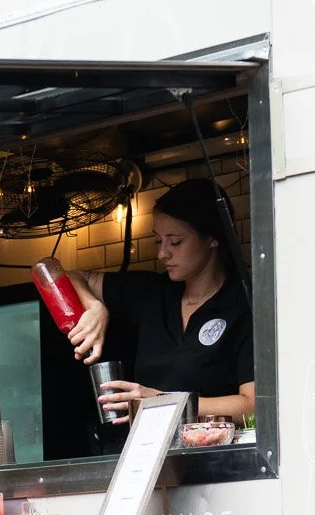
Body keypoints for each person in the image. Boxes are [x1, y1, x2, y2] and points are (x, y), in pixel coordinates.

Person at [61, 177, 256, 425]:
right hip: (146, 451)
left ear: (213, 238)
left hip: (212, 454)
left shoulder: (243, 306)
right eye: (158, 241)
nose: (162, 253)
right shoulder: (152, 293)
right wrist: (95, 307)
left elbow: (253, 405)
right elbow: (69, 275)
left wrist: (162, 402)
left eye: (175, 242)